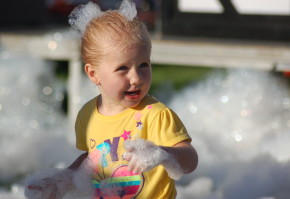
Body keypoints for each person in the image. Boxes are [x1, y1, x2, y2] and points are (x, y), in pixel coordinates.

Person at [26, 0, 198, 198]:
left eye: (143, 65)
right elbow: (91, 158)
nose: (136, 78)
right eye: (123, 68)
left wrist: (163, 154)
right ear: (93, 74)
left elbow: (190, 159)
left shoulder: (156, 115)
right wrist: (63, 180)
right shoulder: (88, 114)